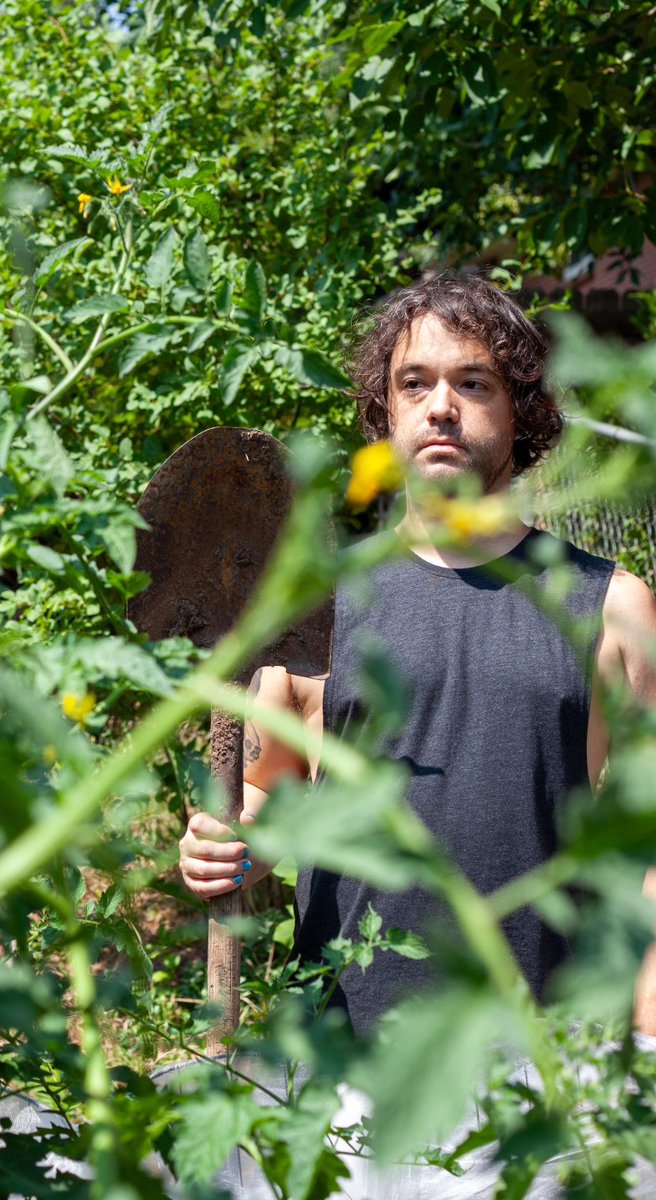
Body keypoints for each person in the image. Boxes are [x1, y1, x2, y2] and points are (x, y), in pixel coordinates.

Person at [178, 273, 656, 1036]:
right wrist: (228, 852)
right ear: (386, 412)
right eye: (415, 383)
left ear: (520, 410)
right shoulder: (315, 607)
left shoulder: (607, 606)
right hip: (346, 1064)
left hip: (544, 1062)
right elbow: (269, 802)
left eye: (473, 382)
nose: (441, 406)